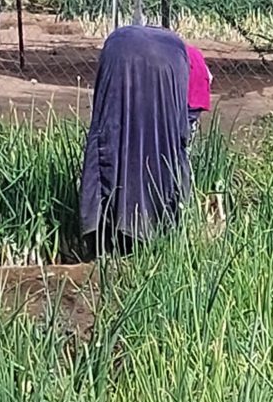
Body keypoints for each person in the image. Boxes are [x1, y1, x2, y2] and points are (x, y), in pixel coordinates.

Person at [80, 25, 195, 255]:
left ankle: (104, 236)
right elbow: (184, 126)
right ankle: (153, 233)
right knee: (166, 143)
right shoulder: (191, 62)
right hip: (165, 65)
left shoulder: (181, 52)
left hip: (119, 55)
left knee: (111, 134)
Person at [186, 42, 213, 132]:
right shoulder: (194, 52)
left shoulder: (176, 53)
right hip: (200, 99)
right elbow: (210, 77)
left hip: (187, 100)